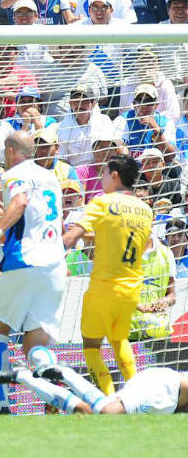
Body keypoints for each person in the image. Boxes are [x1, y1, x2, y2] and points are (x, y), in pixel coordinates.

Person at [0, 130, 67, 414]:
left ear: (9, 151)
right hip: (54, 264)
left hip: (23, 260)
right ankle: (54, 397)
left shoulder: (14, 174)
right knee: (37, 342)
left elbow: (20, 202)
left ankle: (3, 404)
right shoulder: (51, 177)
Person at [62, 154, 152, 395]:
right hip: (131, 288)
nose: (100, 178)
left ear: (114, 176)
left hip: (104, 287)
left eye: (103, 173)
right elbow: (137, 242)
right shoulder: (145, 209)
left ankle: (108, 398)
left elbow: (70, 238)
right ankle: (136, 395)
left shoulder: (102, 202)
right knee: (119, 339)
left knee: (91, 344)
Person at [0, 348, 188, 415]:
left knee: (90, 413)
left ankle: (22, 376)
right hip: (167, 390)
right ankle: (65, 373)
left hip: (166, 396)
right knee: (108, 414)